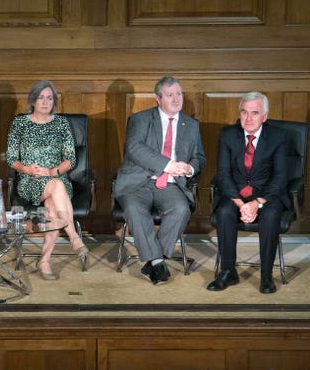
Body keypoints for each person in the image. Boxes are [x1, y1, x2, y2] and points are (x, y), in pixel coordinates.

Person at [113, 76, 205, 285]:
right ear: (158, 98)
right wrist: (168, 165)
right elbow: (135, 149)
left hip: (172, 184)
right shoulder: (141, 119)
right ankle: (157, 261)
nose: (176, 99)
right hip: (138, 182)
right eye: (170, 95)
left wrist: (190, 168)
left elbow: (199, 157)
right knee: (135, 210)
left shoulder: (190, 125)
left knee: (181, 209)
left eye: (179, 94)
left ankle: (153, 261)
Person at [6, 80, 89, 281]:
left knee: (53, 205)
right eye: (41, 97)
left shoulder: (61, 123)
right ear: (33, 100)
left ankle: (44, 260)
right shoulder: (20, 123)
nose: (45, 102)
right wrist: (26, 168)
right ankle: (75, 238)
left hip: (56, 178)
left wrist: (53, 171)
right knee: (57, 187)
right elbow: (10, 158)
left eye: (49, 98)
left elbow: (71, 158)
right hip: (29, 181)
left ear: (54, 102)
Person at [207, 92, 289, 294]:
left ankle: (267, 276)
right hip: (235, 194)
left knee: (270, 216)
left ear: (265, 117)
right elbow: (223, 174)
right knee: (225, 213)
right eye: (244, 112)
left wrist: (256, 203)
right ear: (239, 113)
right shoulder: (228, 134)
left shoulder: (279, 137)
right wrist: (239, 203)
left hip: (267, 195)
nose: (248, 118)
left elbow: (280, 178)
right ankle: (227, 272)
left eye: (255, 113)